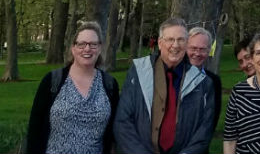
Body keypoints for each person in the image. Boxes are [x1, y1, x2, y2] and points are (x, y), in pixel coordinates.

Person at [114, 17, 215, 154]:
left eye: (181, 40)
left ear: (186, 44)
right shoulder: (138, 72)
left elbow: (205, 129)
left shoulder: (202, 82)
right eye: (170, 39)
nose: (175, 45)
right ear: (160, 43)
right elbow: (123, 121)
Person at [26, 21, 119, 154]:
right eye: (81, 44)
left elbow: (114, 132)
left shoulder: (109, 85)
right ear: (73, 48)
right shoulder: (53, 81)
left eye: (93, 44)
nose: (87, 49)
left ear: (99, 48)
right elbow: (34, 129)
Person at [186, 27, 222, 135]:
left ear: (209, 51)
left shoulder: (214, 81)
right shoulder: (172, 76)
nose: (197, 53)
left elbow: (212, 120)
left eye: (202, 49)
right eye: (193, 48)